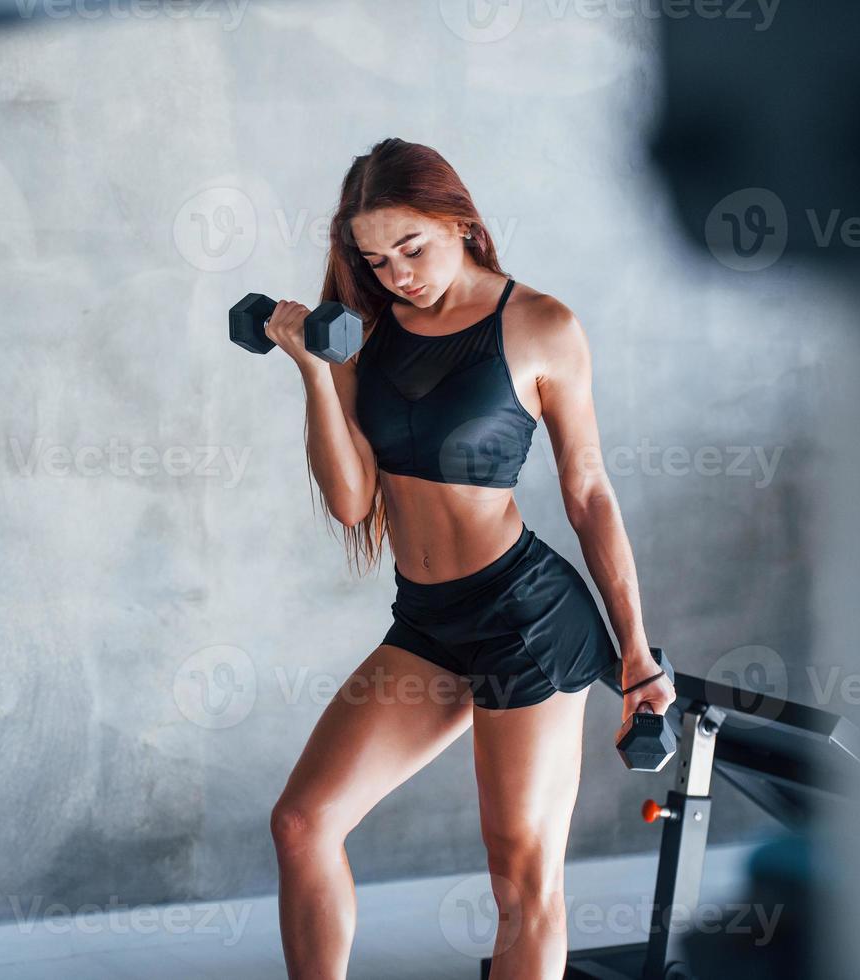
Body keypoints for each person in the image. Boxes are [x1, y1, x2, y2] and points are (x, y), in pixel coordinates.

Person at [266, 138, 676, 980]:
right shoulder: (363, 335)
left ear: (461, 222)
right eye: (377, 261)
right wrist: (313, 372)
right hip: (427, 622)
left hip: (526, 620)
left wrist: (636, 651)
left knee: (520, 880)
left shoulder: (541, 326)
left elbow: (589, 491)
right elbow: (351, 502)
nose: (398, 275)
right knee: (303, 824)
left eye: (412, 248)